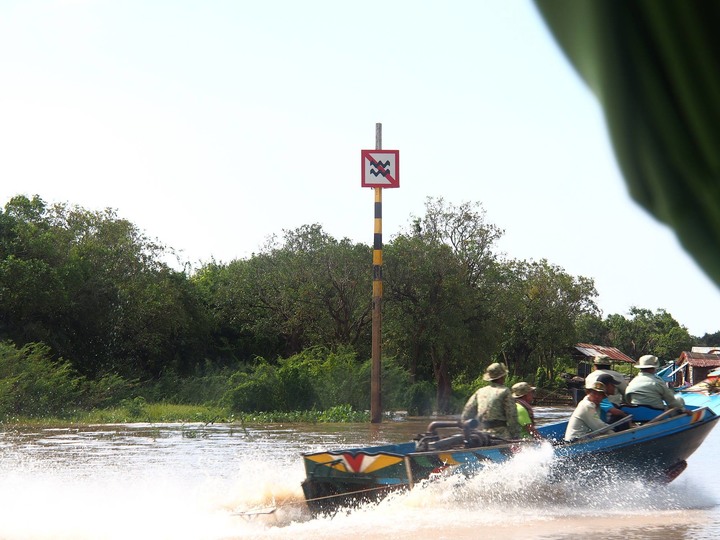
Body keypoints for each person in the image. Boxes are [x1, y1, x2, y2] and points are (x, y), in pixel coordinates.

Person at [461, 362, 520, 440]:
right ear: (502, 377)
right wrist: (516, 436)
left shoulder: (480, 391)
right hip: (500, 434)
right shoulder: (505, 391)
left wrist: (469, 431)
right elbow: (512, 416)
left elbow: (466, 414)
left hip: (481, 434)